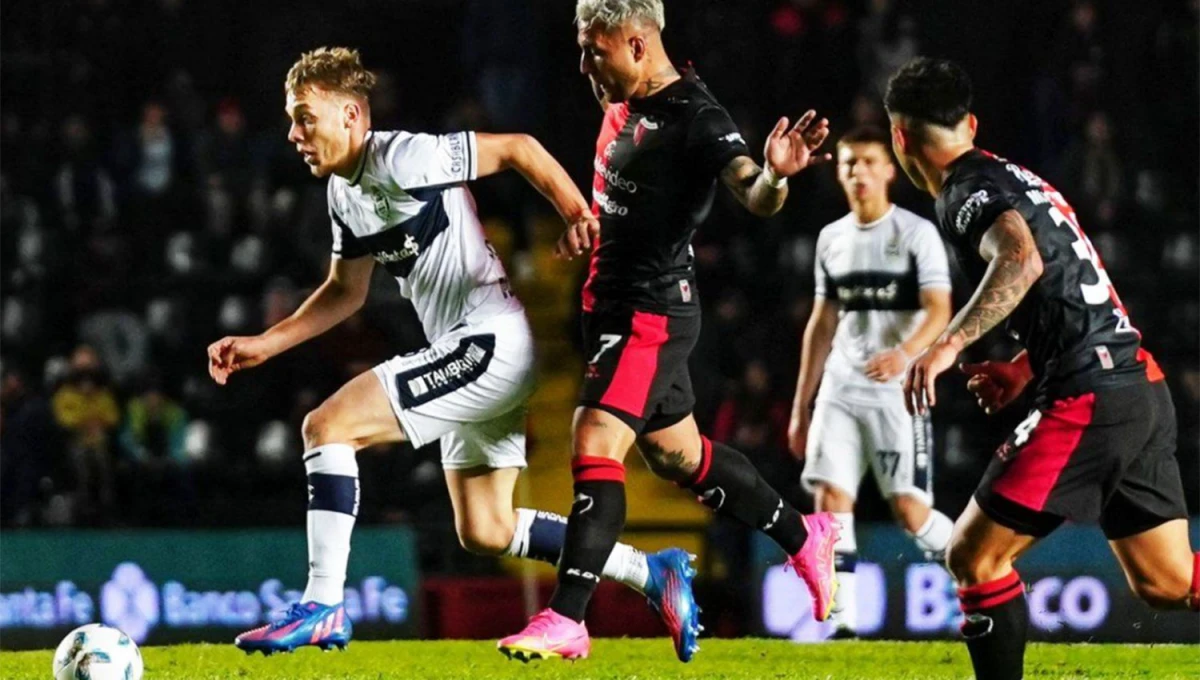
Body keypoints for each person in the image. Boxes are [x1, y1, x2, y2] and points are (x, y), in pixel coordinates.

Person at [209, 46, 697, 656]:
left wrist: (577, 213)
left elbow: (519, 146)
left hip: (488, 340)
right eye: (290, 119)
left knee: (326, 426)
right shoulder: (343, 192)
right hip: (475, 348)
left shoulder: (405, 156)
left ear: (352, 114)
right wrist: (264, 344)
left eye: (306, 117)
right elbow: (345, 291)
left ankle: (323, 603)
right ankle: (652, 572)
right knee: (485, 529)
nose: (294, 133)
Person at [498, 0, 840, 663]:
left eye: (592, 51)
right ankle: (805, 535)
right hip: (610, 302)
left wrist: (774, 175)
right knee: (678, 456)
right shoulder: (623, 100)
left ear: (633, 44)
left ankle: (568, 619)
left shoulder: (697, 117)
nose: (583, 65)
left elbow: (754, 191)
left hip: (650, 313)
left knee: (595, 439)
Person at [884, 57, 1198, 680]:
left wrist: (947, 345)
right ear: (970, 122)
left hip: (1090, 397)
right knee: (1168, 581)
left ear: (900, 139)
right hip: (1134, 382)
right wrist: (1026, 366)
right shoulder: (1018, 177)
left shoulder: (963, 192)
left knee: (972, 558)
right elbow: (1075, 286)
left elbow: (1021, 260)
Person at [787, 124, 955, 639]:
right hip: (841, 385)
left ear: (889, 170)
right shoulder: (831, 238)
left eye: (866, 162)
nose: (857, 172)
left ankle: (983, 568)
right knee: (831, 501)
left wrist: (905, 354)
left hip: (899, 391)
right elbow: (822, 322)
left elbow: (939, 309)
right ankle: (844, 625)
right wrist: (801, 405)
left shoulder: (916, 233)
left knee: (910, 511)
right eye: (848, 163)